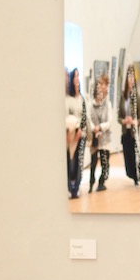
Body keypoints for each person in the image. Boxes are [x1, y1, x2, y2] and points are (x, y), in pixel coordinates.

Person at [87, 73, 113, 192]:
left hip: (104, 139)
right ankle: (91, 184)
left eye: (105, 85)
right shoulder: (91, 104)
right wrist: (94, 129)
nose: (103, 87)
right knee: (93, 163)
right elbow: (88, 119)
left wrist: (100, 127)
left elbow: (109, 121)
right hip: (94, 138)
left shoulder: (108, 104)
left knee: (105, 164)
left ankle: (101, 183)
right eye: (102, 84)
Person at [65, 68, 87, 199]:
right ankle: (69, 187)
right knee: (70, 163)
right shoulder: (68, 99)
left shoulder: (82, 99)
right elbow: (67, 116)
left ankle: (76, 188)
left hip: (81, 135)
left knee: (79, 162)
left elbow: (84, 117)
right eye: (75, 76)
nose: (77, 79)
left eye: (78, 76)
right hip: (71, 135)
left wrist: (80, 129)